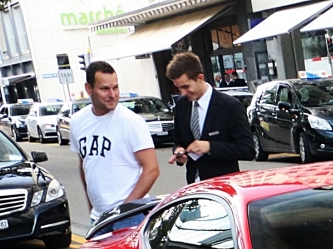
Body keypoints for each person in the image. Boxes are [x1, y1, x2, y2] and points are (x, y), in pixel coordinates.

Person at [70, 60, 160, 224]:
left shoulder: (131, 122)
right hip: (98, 218)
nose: (112, 94)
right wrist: (92, 208)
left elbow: (152, 169)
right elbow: (85, 165)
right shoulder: (77, 122)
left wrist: (125, 210)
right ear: (89, 89)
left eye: (115, 87)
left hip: (129, 216)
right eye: (105, 89)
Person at [165, 51, 252, 184]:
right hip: (194, 184)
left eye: (186, 86)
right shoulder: (182, 105)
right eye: (178, 88)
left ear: (200, 78)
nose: (183, 93)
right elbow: (178, 141)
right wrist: (179, 152)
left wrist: (210, 146)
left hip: (225, 184)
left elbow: (248, 150)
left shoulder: (230, 106)